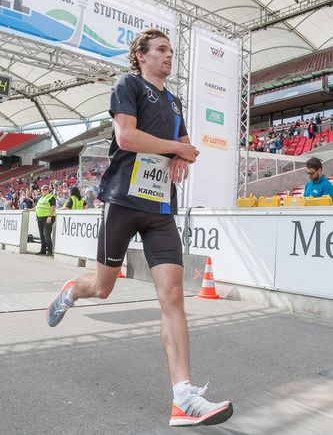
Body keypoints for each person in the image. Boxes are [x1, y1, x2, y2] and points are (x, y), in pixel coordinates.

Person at [46, 28, 233, 427]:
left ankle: (183, 397)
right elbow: (126, 137)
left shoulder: (174, 100)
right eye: (161, 50)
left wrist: (183, 156)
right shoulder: (128, 85)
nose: (169, 57)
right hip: (123, 201)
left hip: (161, 209)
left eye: (171, 51)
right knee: (102, 287)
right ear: (141, 56)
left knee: (173, 297)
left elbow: (186, 145)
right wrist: (176, 149)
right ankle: (71, 291)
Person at [32, 185, 56, 255]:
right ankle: (43, 250)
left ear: (48, 190)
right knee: (42, 235)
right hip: (40, 218)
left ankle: (49, 250)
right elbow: (37, 207)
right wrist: (29, 209)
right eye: (42, 189)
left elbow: (53, 206)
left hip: (47, 217)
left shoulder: (51, 197)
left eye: (45, 189)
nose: (44, 191)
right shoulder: (40, 198)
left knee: (46, 234)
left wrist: (50, 216)